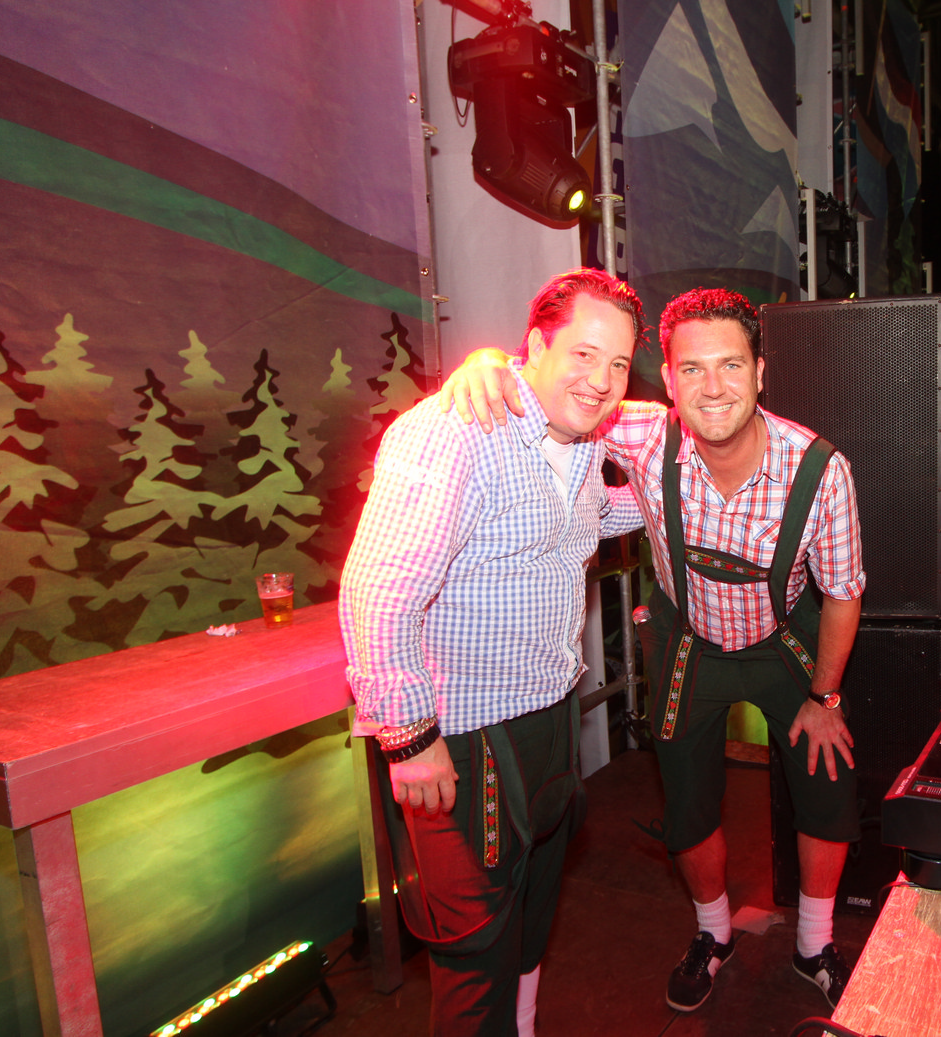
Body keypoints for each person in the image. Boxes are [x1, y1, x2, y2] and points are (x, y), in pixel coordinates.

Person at [441, 287, 866, 1014]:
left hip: (784, 639)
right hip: (687, 640)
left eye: (731, 365)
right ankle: (713, 933)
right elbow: (549, 387)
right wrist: (485, 363)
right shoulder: (636, 431)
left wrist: (825, 696)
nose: (713, 387)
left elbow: (843, 593)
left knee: (826, 782)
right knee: (688, 800)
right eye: (692, 369)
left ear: (761, 371)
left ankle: (814, 942)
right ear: (667, 379)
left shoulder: (819, 468)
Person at [339, 268, 647, 1037]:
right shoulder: (458, 429)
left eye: (617, 364)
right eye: (583, 354)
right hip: (465, 735)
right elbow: (377, 590)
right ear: (534, 345)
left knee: (532, 909)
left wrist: (668, 499)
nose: (601, 380)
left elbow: (578, 518)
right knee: (474, 948)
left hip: (549, 714)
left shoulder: (580, 437)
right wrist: (410, 738)